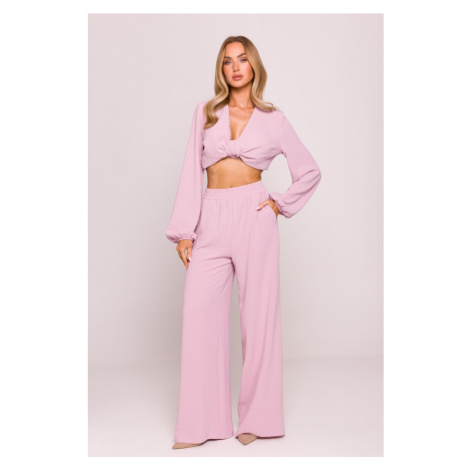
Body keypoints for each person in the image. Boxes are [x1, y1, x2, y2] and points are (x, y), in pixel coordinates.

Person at [166, 36, 322, 449]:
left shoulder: (274, 119)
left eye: (242, 59)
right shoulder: (206, 112)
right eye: (227, 61)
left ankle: (259, 419)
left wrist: (279, 204)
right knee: (199, 317)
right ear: (221, 69)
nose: (235, 67)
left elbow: (309, 170)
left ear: (254, 66)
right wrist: (184, 230)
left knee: (259, 319)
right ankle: (202, 424)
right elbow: (190, 170)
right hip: (211, 215)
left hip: (254, 214)